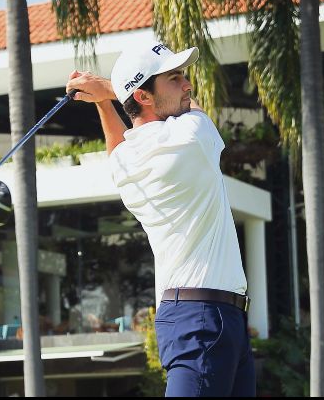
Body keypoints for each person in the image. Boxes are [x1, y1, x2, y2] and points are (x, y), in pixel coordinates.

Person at [65, 41, 255, 397]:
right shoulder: (191, 138)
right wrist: (107, 90)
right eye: (174, 78)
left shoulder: (126, 164)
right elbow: (194, 112)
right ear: (144, 96)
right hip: (202, 317)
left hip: (206, 316)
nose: (187, 86)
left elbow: (118, 148)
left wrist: (107, 101)